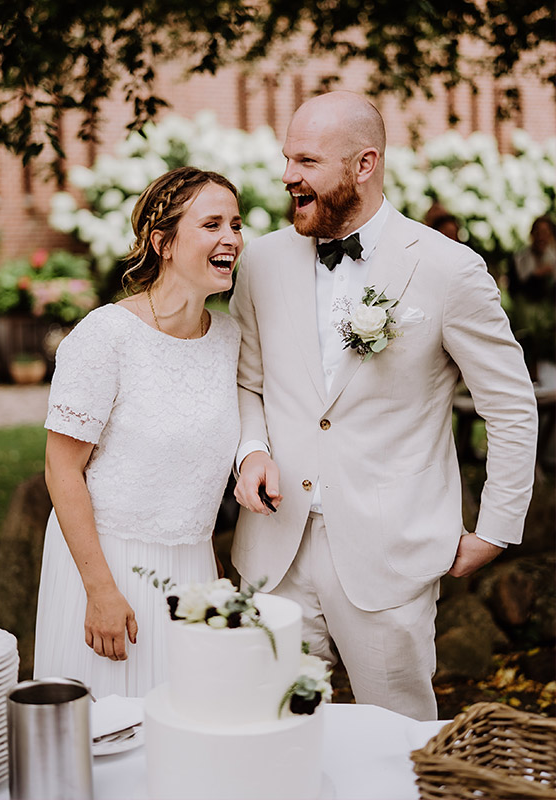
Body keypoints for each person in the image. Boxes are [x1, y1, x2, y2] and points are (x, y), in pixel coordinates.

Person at [230, 91, 538, 721]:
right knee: (268, 729)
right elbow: (247, 382)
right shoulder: (260, 261)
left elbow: (510, 405)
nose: (289, 175)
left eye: (308, 161)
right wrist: (253, 449)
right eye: (288, 158)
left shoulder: (449, 270)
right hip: (274, 552)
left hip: (390, 556)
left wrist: (497, 528)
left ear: (364, 165)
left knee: (400, 742)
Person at [33, 166, 243, 697]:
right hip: (108, 564)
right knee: (112, 734)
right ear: (163, 242)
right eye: (212, 224)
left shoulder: (230, 339)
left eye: (236, 225)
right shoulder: (106, 337)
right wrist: (100, 589)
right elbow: (62, 469)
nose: (231, 239)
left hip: (192, 568)